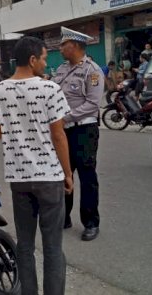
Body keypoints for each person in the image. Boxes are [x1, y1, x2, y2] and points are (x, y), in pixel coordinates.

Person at [0, 36, 73, 295]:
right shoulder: (50, 89)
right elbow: (58, 135)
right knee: (52, 247)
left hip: (20, 179)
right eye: (45, 58)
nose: (46, 64)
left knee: (25, 245)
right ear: (33, 59)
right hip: (49, 177)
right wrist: (68, 173)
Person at [52, 26, 105, 241]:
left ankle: (91, 222)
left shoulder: (92, 70)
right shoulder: (62, 69)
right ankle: (64, 217)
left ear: (75, 46)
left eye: (64, 44)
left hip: (83, 130)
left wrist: (64, 117)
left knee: (87, 176)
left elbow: (93, 104)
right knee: (64, 173)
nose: (61, 47)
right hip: (62, 131)